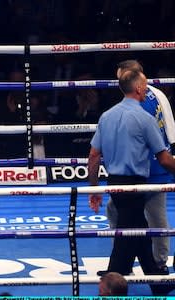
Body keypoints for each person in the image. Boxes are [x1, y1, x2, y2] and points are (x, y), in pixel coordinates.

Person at [88, 69, 175, 296]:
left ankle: (147, 281)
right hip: (135, 184)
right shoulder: (144, 118)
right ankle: (119, 283)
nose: (147, 89)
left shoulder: (106, 116)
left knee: (135, 232)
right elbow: (164, 158)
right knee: (136, 232)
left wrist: (94, 188)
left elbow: (94, 156)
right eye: (145, 85)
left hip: (114, 184)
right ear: (137, 88)